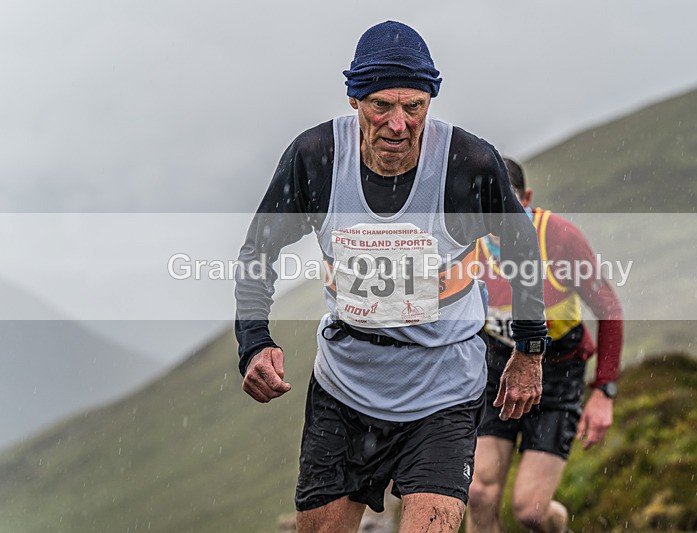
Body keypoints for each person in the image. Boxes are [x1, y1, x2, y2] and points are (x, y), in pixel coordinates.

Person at [234, 22, 550, 532]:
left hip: (443, 391)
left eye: (415, 106)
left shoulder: (467, 163)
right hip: (346, 389)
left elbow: (522, 248)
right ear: (355, 99)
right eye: (382, 105)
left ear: (430, 100)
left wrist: (529, 351)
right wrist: (253, 341)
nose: (399, 124)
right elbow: (258, 250)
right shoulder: (317, 158)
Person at [466, 158, 624, 533]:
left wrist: (604, 391)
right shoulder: (467, 244)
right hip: (498, 373)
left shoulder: (559, 237)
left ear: (528, 199)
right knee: (478, 493)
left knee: (531, 511)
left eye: (509, 206)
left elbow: (610, 309)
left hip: (557, 376)